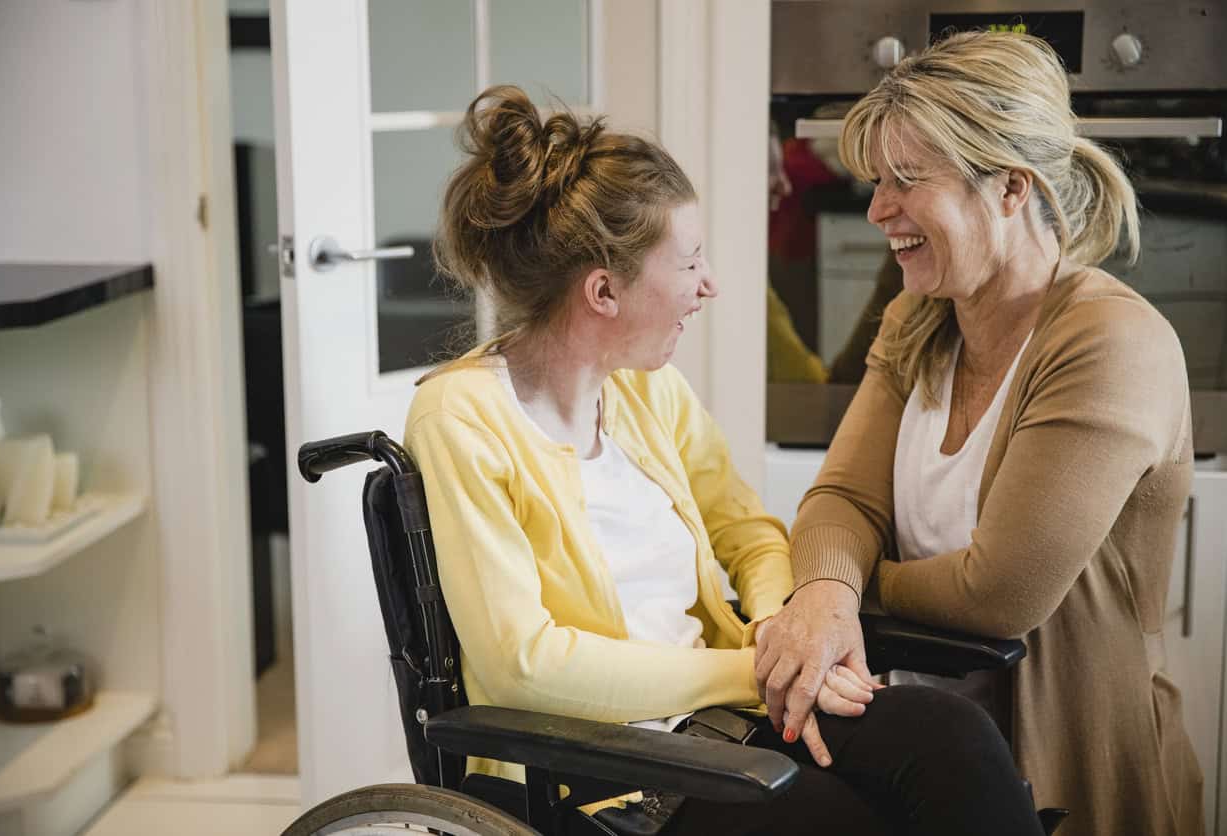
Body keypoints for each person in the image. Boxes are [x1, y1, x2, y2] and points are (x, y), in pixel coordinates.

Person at [404, 84, 1044, 836]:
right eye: (690, 263)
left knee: (950, 738)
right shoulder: (462, 416)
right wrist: (751, 670)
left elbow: (748, 531)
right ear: (604, 291)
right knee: (851, 822)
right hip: (596, 773)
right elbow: (524, 664)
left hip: (724, 724)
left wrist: (782, 630)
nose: (708, 286)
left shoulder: (649, 393)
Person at [755, 31, 1202, 836]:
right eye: (876, 181)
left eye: (906, 181)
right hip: (924, 763)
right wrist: (826, 594)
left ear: (1009, 187)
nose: (877, 209)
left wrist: (848, 588)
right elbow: (840, 497)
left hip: (1064, 773)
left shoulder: (1107, 343)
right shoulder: (920, 317)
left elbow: (999, 594)